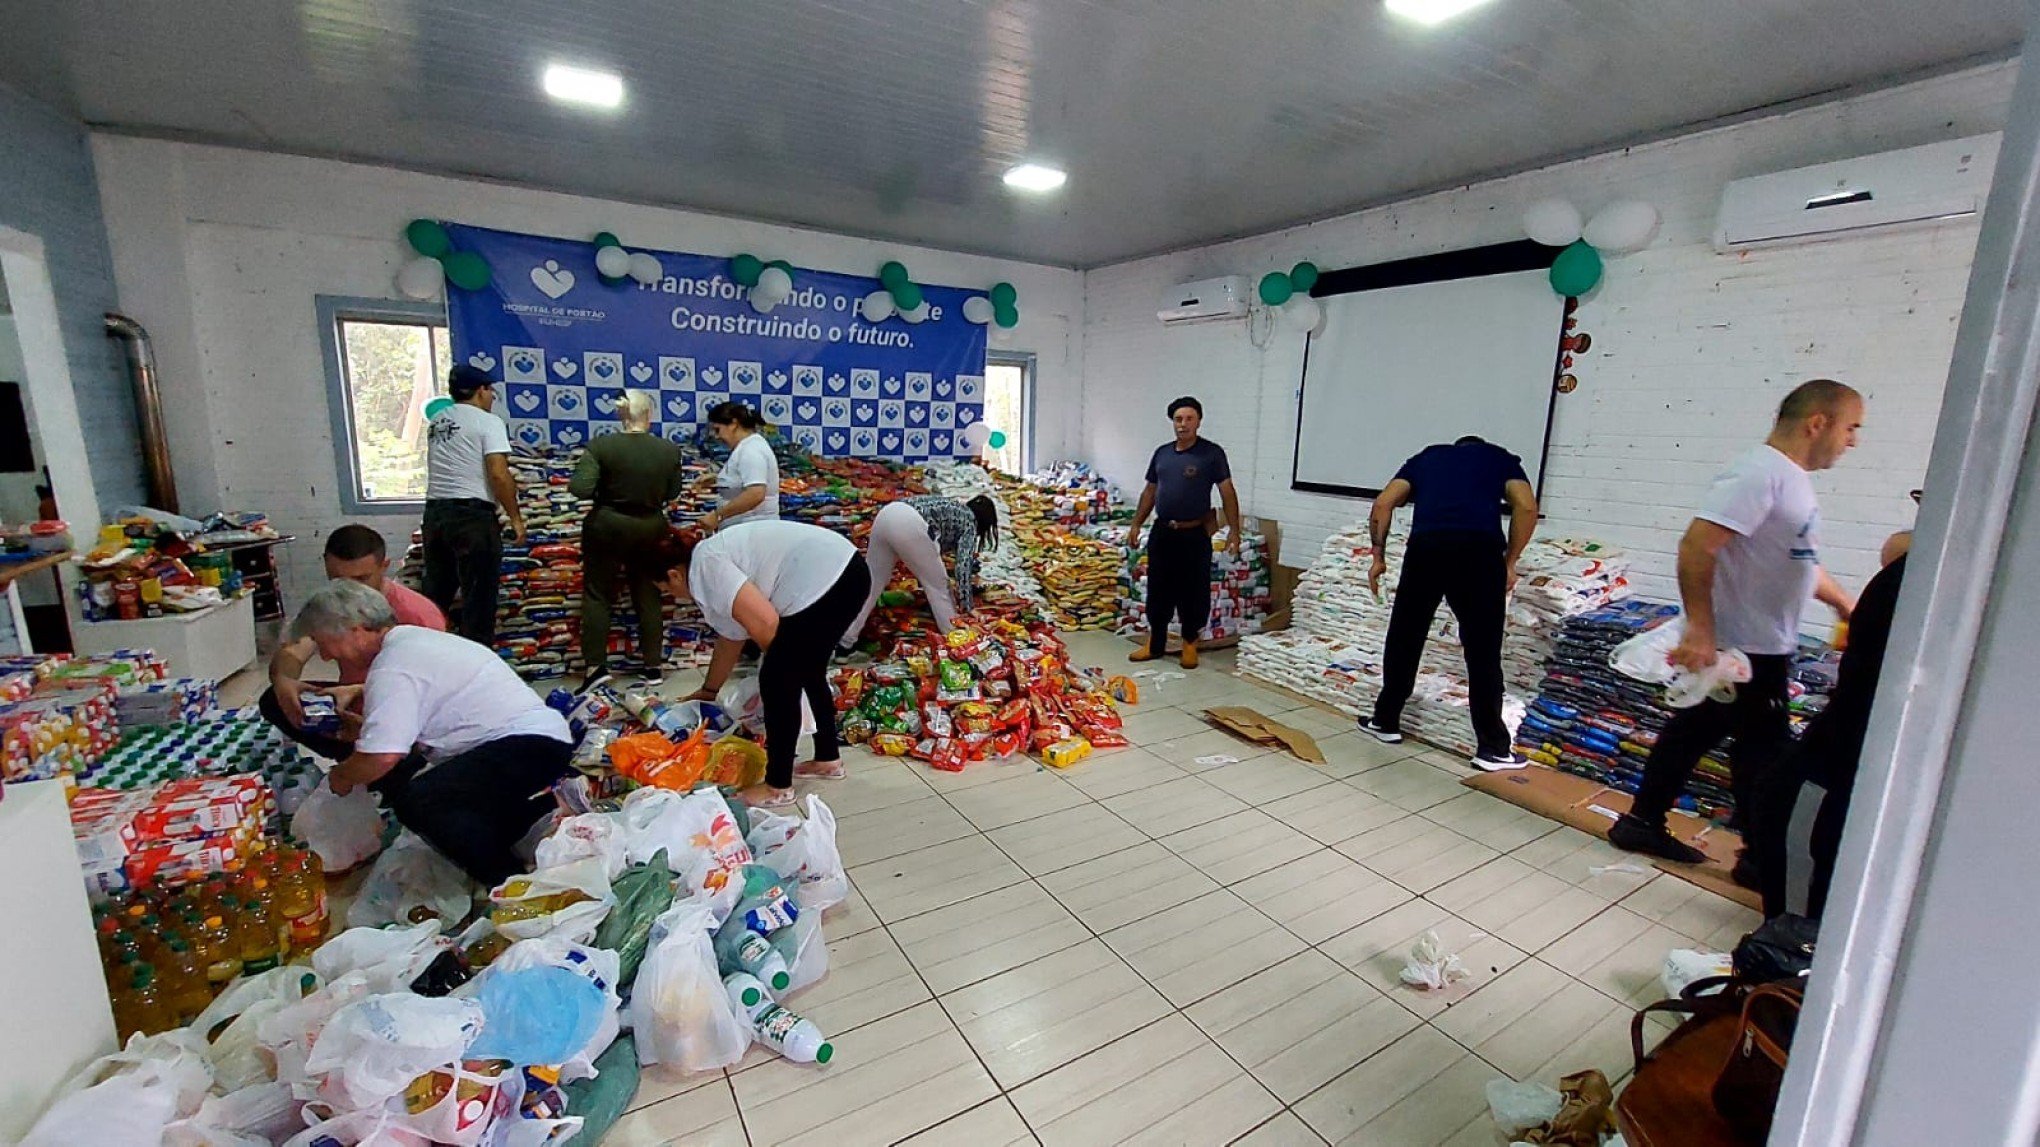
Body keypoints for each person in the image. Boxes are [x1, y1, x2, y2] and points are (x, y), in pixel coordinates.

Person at [1609, 379, 1863, 863]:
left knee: (1702, 731)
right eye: (1851, 427)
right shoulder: (1758, 474)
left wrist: (1843, 603)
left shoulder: (1790, 480)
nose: (1853, 440)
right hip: (1742, 648)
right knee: (1764, 755)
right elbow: (1696, 547)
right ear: (1817, 423)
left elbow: (1797, 560)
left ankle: (1645, 822)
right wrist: (1701, 630)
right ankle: (1760, 856)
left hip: (1758, 644)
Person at [291, 580, 571, 884]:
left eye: (324, 644)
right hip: (537, 741)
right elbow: (404, 735)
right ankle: (534, 819)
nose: (328, 657)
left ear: (353, 629)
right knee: (438, 790)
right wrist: (363, 733)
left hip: (529, 746)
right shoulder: (412, 643)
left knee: (422, 801)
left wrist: (340, 777)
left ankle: (508, 881)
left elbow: (383, 756)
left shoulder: (394, 666)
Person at [648, 523, 871, 809]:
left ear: (673, 575)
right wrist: (709, 690)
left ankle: (777, 786)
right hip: (845, 572)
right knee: (807, 670)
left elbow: (766, 623)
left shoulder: (706, 566)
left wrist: (783, 674)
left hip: (828, 579)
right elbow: (731, 638)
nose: (671, 595)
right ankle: (827, 759)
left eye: (665, 589)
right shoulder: (708, 565)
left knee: (778, 679)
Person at [1360, 435, 1541, 770]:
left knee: (1405, 635)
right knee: (1482, 649)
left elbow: (1383, 504)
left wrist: (1378, 557)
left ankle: (1385, 721)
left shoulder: (1426, 457)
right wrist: (1510, 562)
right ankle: (1493, 749)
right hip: (1479, 552)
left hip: (1426, 549)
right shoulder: (1500, 458)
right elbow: (1527, 506)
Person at [1751, 546, 1907, 919]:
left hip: (1847, 756)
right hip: (1855, 749)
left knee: (1781, 795)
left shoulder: (1914, 577)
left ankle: (1792, 952)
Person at [261, 524, 445, 759]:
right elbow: (294, 650)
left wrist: (368, 704)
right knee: (274, 699)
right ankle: (355, 756)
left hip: (400, 714)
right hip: (348, 704)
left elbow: (434, 693)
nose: (348, 589)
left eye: (361, 579)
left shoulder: (418, 614)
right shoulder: (330, 605)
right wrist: (284, 681)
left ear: (384, 566)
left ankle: (383, 766)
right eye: (338, 579)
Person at [571, 391, 684, 686]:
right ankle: (652, 666)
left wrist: (604, 493)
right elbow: (672, 493)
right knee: (648, 594)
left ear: (621, 415)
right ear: (649, 415)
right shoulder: (669, 450)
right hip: (650, 526)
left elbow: (580, 488)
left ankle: (596, 668)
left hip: (607, 526)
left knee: (598, 594)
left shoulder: (601, 446)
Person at [1124, 397, 1242, 669]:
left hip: (1194, 534)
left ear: (1199, 421)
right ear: (1172, 422)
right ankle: (1156, 643)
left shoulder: (1211, 454)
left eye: (1189, 419)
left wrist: (1235, 530)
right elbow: (1150, 491)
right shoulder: (1162, 453)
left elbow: (1227, 492)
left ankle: (1190, 643)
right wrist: (1136, 523)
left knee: (1193, 589)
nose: (1183, 424)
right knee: (1159, 588)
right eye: (1178, 419)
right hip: (1164, 531)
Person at [421, 363, 524, 644]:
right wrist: (515, 518)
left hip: (435, 515)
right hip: (472, 518)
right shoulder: (487, 422)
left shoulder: (438, 421)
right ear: (481, 390)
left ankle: (427, 658)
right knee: (478, 599)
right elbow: (498, 474)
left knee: (435, 596)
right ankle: (475, 670)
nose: (492, 397)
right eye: (490, 391)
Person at [841, 494, 1000, 642]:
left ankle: (845, 641)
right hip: (911, 524)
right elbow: (963, 565)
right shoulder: (970, 521)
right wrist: (968, 605)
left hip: (888, 514)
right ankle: (954, 639)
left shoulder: (955, 507)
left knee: (871, 583)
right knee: (939, 587)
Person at [700, 401, 779, 532]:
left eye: (718, 430)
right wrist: (718, 480)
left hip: (753, 531)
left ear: (733, 424)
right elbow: (744, 480)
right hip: (745, 530)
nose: (717, 436)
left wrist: (717, 516)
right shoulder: (746, 447)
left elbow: (756, 493)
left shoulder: (751, 450)